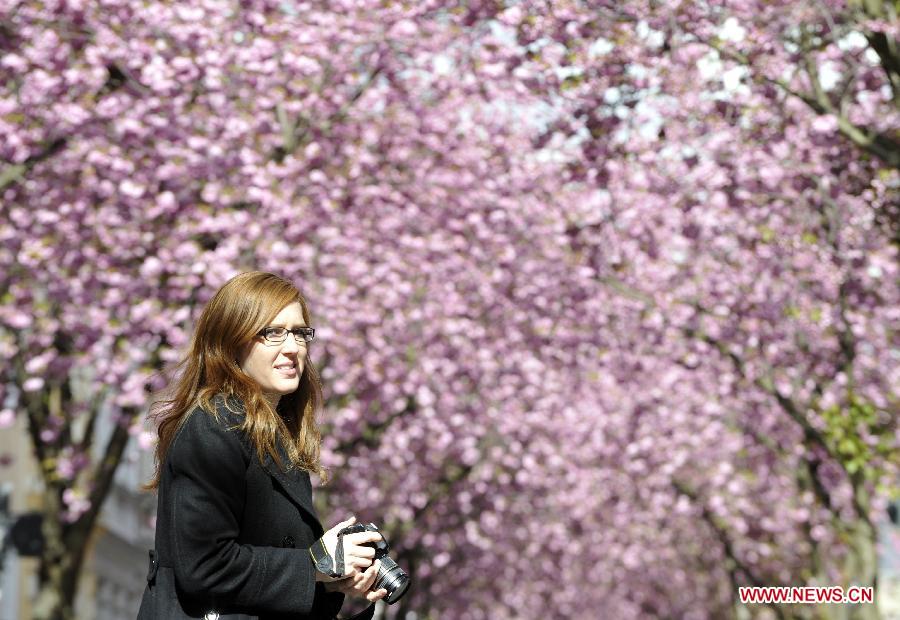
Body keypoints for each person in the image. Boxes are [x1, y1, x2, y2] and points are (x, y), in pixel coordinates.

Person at [138, 271, 388, 619]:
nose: (292, 348)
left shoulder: (277, 434)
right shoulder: (212, 428)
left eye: (300, 333)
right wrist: (315, 564)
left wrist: (332, 578)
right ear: (232, 342)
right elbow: (205, 566)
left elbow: (266, 572)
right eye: (273, 333)